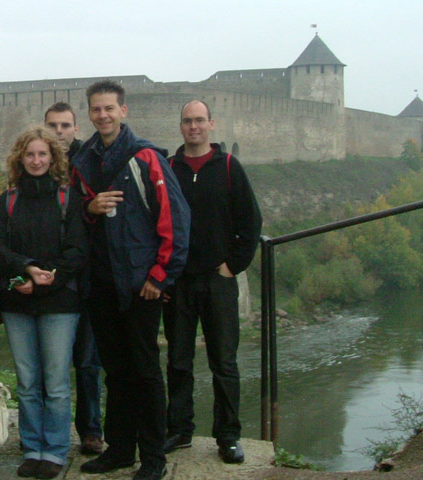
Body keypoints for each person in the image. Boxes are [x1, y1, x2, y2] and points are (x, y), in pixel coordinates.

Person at [72, 81, 190, 480]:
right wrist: (89, 207)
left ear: (123, 111)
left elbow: (175, 219)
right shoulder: (84, 160)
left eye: (109, 108)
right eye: (96, 109)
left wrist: (160, 276)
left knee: (145, 371)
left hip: (141, 284)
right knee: (116, 371)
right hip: (102, 282)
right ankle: (120, 449)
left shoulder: (144, 157)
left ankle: (153, 457)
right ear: (90, 113)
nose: (102, 115)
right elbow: (75, 218)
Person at [162, 100, 262, 464]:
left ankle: (228, 436)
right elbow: (157, 220)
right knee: (178, 360)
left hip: (218, 281)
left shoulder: (230, 167)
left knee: (224, 362)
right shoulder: (169, 168)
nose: (194, 126)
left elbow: (251, 221)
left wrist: (232, 266)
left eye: (199, 120)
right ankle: (179, 430)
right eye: (188, 121)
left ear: (211, 124)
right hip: (179, 282)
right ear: (181, 126)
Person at [0, 127, 86, 480]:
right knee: (28, 381)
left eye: (42, 154)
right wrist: (26, 271)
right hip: (19, 302)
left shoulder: (68, 199)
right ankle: (32, 448)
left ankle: (55, 450)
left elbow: (77, 251)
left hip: (59, 303)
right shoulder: (7, 200)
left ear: (53, 158)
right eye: (30, 154)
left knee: (56, 382)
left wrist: (46, 281)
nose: (36, 160)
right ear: (20, 158)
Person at [44, 102, 104, 456]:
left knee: (87, 361)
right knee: (49, 365)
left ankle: (91, 430)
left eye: (65, 125)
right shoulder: (38, 163)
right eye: (53, 125)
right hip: (52, 276)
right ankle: (48, 430)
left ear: (76, 128)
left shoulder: (89, 162)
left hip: (87, 275)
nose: (59, 132)